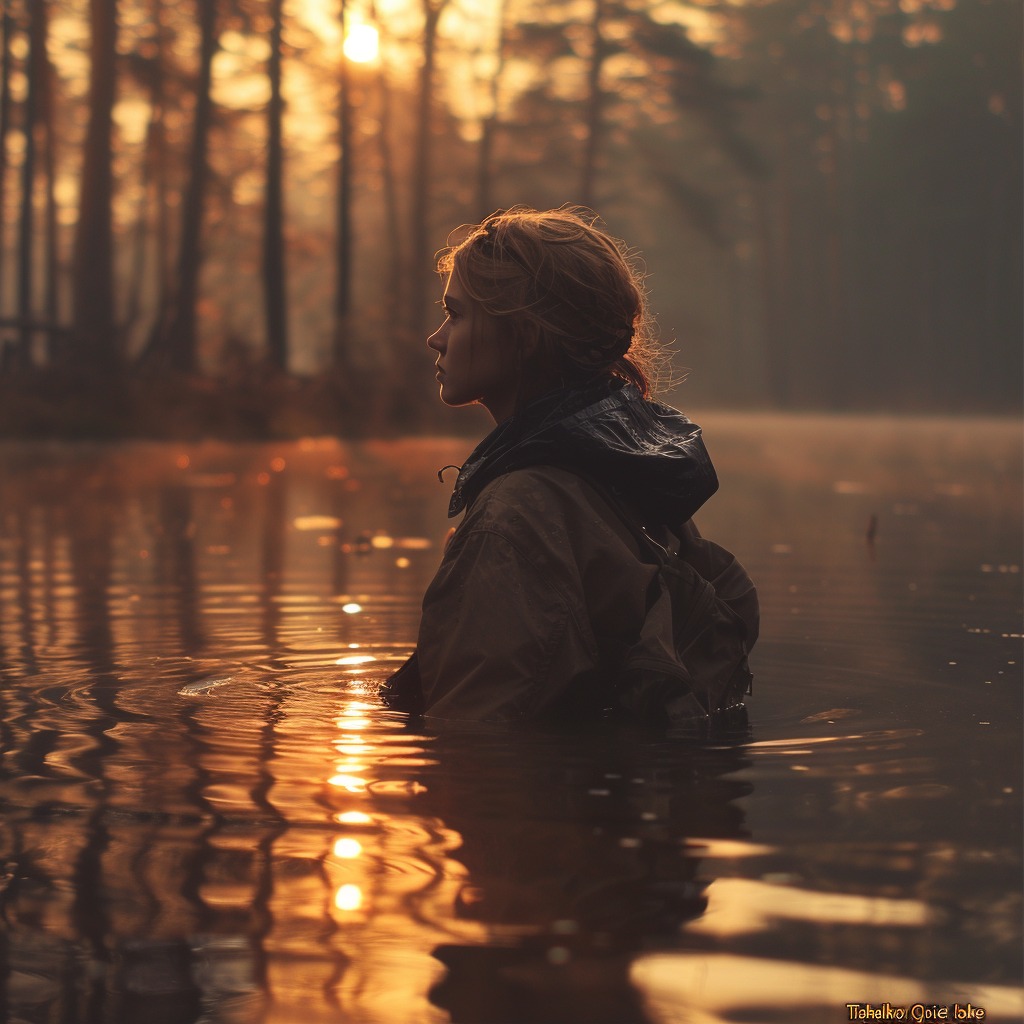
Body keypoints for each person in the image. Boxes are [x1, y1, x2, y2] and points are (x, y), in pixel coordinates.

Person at [382, 206, 758, 727]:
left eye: (459, 314)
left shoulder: (514, 517)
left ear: (526, 335)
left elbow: (474, 747)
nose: (437, 337)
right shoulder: (630, 475)